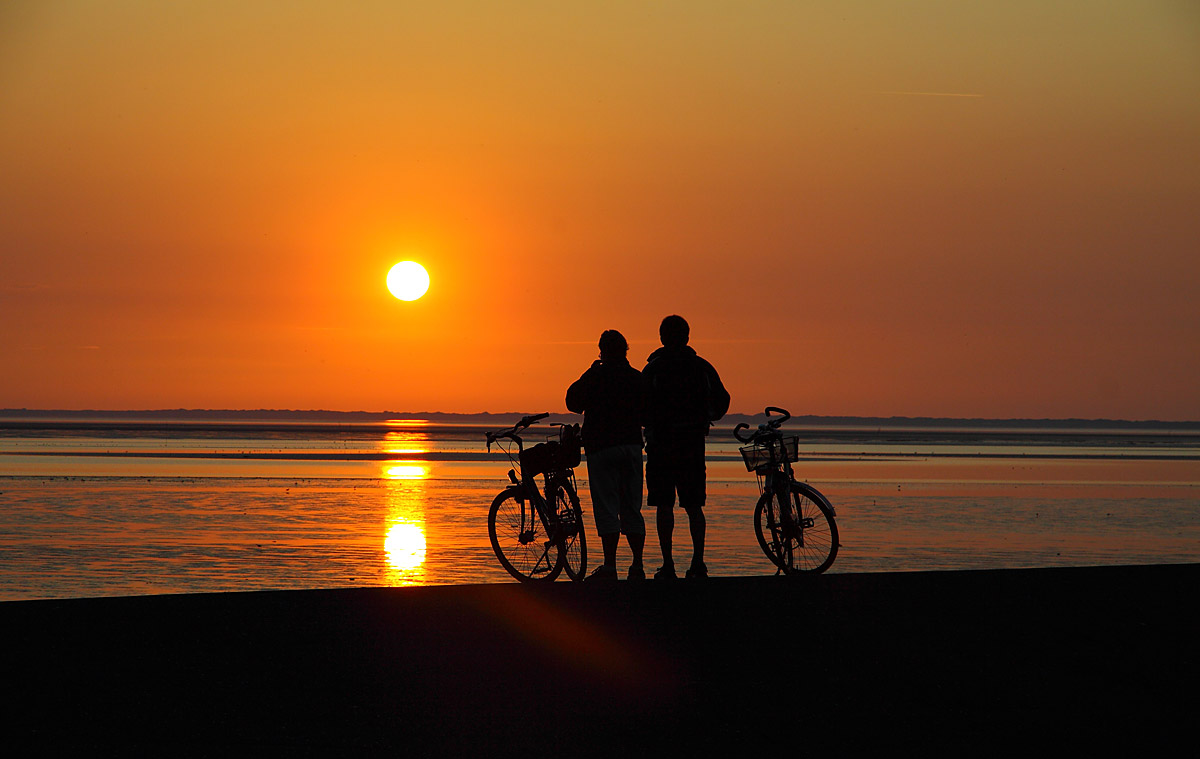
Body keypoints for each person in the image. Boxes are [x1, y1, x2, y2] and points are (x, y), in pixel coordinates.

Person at [643, 315, 729, 580]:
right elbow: (723, 401)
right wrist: (705, 418)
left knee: (664, 505)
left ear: (661, 337)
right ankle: (698, 563)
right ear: (687, 336)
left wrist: (652, 424)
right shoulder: (701, 366)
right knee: (694, 505)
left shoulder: (654, 368)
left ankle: (668, 565)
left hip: (661, 445)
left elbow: (640, 404)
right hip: (692, 444)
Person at [565, 329, 647, 581]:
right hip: (631, 446)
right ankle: (637, 566)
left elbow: (572, 402)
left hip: (602, 448)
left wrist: (590, 371)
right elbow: (647, 410)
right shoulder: (636, 377)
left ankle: (610, 566)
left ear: (602, 350)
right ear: (625, 350)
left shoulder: (595, 376)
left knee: (607, 507)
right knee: (632, 507)